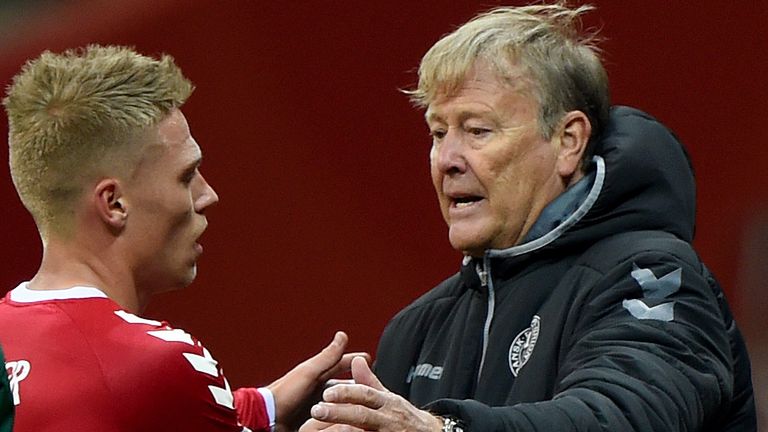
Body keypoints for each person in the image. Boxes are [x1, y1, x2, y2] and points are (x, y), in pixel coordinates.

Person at [301, 3, 756, 432]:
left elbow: (623, 416)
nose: (447, 159)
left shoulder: (652, 276)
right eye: (438, 132)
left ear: (568, 140)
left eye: (478, 130)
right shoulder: (417, 329)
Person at [0, 45, 366, 432]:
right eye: (186, 176)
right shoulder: (157, 362)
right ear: (114, 203)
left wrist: (265, 405)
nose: (207, 195)